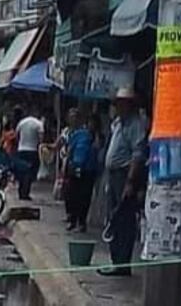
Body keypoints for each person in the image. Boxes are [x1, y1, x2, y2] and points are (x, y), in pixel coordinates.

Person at [98, 87, 148, 277]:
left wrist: (130, 181)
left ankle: (122, 263)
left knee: (123, 220)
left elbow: (138, 154)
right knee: (112, 217)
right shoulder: (119, 123)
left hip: (124, 175)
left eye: (121, 103)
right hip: (112, 175)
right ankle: (116, 260)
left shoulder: (135, 124)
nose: (118, 107)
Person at [57, 108, 97, 233]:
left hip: (87, 169)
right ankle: (72, 219)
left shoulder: (87, 134)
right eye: (71, 116)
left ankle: (81, 222)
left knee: (84, 196)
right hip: (72, 167)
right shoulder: (71, 134)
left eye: (75, 117)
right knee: (71, 194)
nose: (72, 119)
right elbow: (69, 150)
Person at [14, 106, 44, 201]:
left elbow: (17, 135)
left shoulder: (22, 122)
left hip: (21, 150)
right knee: (29, 173)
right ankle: (25, 193)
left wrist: (20, 143)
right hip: (33, 151)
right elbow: (41, 138)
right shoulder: (39, 124)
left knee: (21, 172)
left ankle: (21, 191)